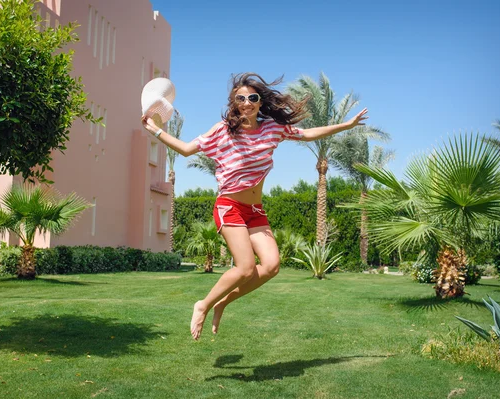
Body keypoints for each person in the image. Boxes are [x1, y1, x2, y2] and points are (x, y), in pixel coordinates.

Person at [141, 72, 368, 340]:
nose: (247, 102)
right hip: (230, 206)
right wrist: (155, 129)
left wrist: (346, 125)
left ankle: (223, 302)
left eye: (252, 97)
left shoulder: (272, 128)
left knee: (272, 265)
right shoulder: (222, 131)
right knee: (245, 267)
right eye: (241, 98)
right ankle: (202, 305)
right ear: (234, 103)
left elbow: (306, 134)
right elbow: (188, 149)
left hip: (255, 211)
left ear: (260, 102)